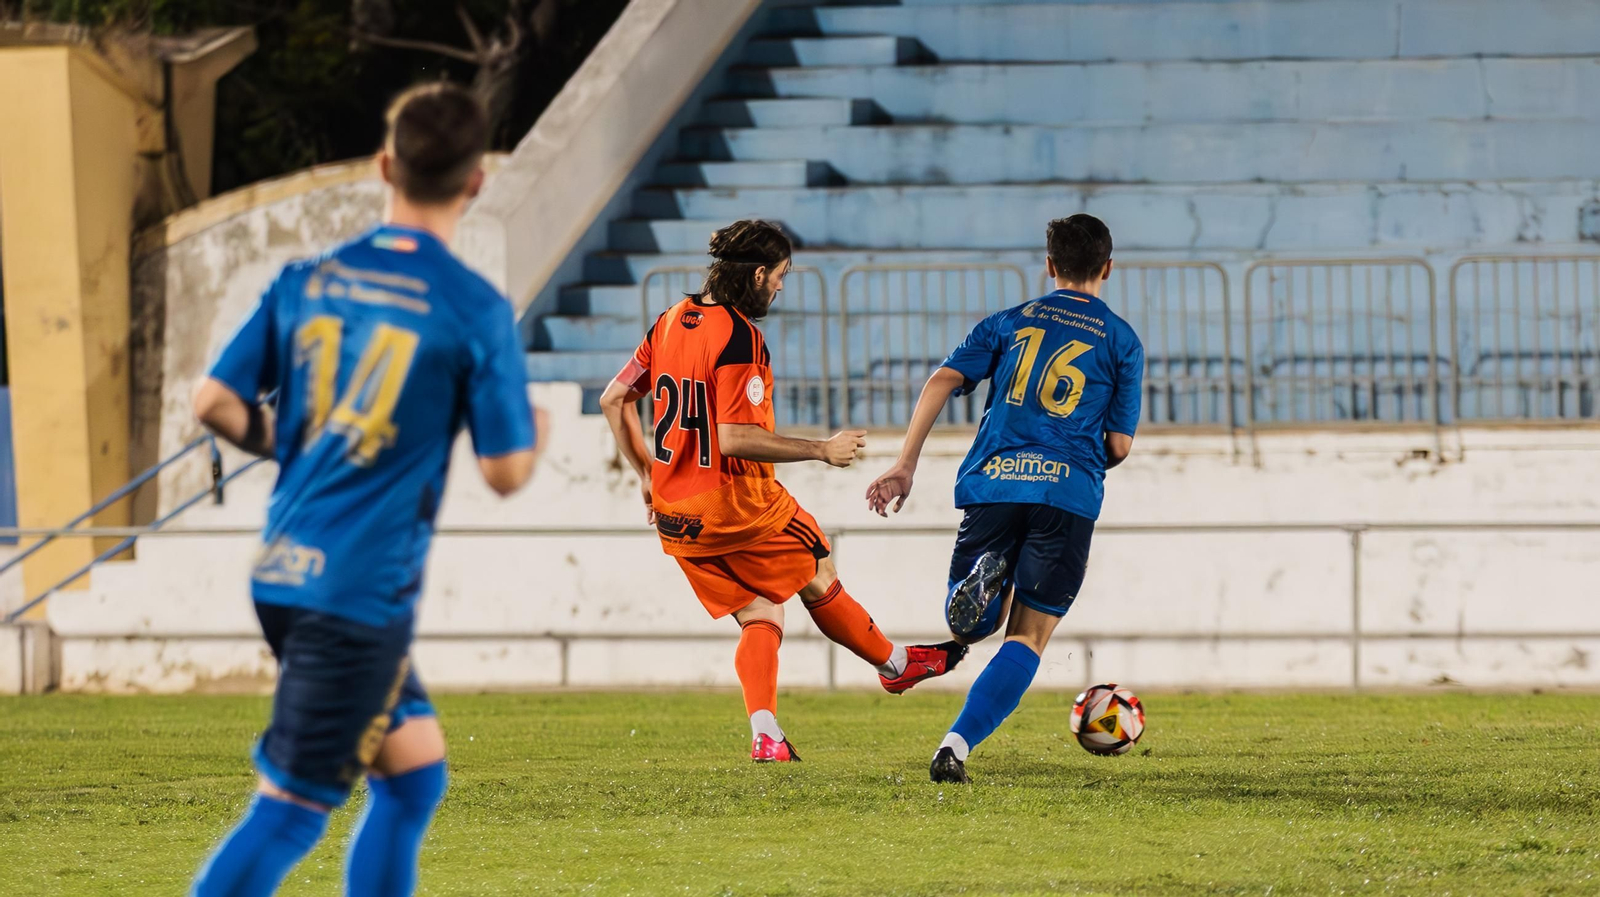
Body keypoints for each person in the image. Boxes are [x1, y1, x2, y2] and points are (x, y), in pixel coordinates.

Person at [189, 82, 541, 896]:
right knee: (287, 813)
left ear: (385, 166)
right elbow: (505, 469)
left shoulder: (305, 279)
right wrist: (538, 435)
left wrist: (297, 442)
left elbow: (212, 401)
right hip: (356, 597)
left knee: (414, 773)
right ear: (477, 181)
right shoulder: (472, 307)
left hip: (284, 570)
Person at [598, 219, 965, 763]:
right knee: (818, 569)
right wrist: (822, 448)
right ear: (758, 272)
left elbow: (614, 398)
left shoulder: (670, 321)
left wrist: (649, 480)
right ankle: (894, 666)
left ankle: (767, 733)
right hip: (735, 507)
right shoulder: (740, 336)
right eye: (780, 275)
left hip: (678, 518)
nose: (780, 287)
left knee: (761, 614)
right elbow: (735, 437)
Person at [865, 214, 1144, 783]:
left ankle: (976, 598)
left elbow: (941, 380)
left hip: (993, 480)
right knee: (1028, 636)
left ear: (1049, 266)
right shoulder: (1121, 339)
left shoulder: (1008, 323)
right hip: (1065, 491)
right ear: (1108, 268)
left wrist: (905, 463)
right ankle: (954, 748)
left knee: (971, 628)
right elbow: (1118, 443)